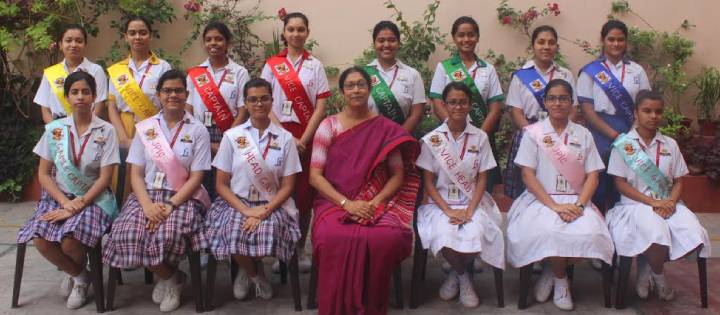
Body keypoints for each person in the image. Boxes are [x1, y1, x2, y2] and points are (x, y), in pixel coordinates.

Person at [309, 67, 420, 315]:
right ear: (342, 92)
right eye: (350, 85)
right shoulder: (329, 126)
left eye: (361, 85)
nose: (356, 90)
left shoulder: (386, 128)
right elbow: (315, 177)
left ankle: (372, 306)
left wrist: (374, 203)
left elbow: (397, 175)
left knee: (385, 239)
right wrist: (347, 204)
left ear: (369, 89)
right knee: (331, 238)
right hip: (334, 202)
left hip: (378, 201)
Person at [102, 70, 211, 312]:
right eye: (167, 90)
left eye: (178, 90)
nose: (173, 95)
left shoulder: (197, 130)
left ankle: (167, 277)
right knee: (126, 233)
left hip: (183, 197)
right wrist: (148, 206)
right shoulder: (146, 128)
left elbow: (197, 177)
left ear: (186, 94)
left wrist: (170, 205)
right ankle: (174, 278)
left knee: (166, 234)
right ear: (158, 95)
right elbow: (136, 175)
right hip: (147, 195)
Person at [506, 79, 614, 311]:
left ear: (571, 102)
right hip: (541, 199)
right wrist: (555, 207)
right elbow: (527, 175)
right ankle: (562, 280)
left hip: (577, 199)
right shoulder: (533, 133)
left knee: (592, 233)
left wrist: (579, 205)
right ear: (545, 102)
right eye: (552, 98)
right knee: (549, 229)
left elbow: (593, 176)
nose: (558, 103)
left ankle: (551, 273)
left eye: (563, 98)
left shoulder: (584, 134)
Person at [18, 72, 119, 309]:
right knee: (41, 238)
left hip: (94, 199)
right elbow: (44, 174)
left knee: (70, 242)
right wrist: (65, 203)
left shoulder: (107, 131)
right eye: (75, 92)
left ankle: (76, 276)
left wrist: (79, 204)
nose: (80, 97)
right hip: (59, 198)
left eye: (86, 92)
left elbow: (105, 179)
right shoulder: (54, 129)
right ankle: (80, 276)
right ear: (67, 97)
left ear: (94, 96)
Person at [605, 90, 711, 301]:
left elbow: (679, 180)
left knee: (693, 231)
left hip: (669, 204)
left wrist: (671, 201)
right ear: (636, 113)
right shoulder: (625, 145)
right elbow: (619, 183)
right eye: (647, 111)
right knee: (656, 231)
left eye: (658, 111)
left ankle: (648, 271)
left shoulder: (670, 144)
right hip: (634, 205)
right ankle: (660, 276)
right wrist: (653, 202)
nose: (653, 116)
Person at [204, 78, 302, 301]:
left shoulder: (285, 139)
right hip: (236, 201)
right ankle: (255, 274)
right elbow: (220, 184)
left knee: (268, 230)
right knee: (232, 229)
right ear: (245, 103)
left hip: (274, 202)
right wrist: (246, 211)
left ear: (272, 100)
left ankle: (246, 269)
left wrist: (264, 211)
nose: (259, 104)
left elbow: (288, 186)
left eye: (264, 98)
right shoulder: (232, 136)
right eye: (253, 99)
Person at [416, 82, 505, 308]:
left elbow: (483, 178)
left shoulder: (480, 137)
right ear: (444, 105)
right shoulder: (432, 139)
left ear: (470, 105)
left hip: (472, 201)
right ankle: (464, 278)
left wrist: (469, 210)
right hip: (441, 203)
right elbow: (428, 181)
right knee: (443, 233)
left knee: (477, 232)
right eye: (453, 102)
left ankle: (456, 274)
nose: (458, 106)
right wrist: (447, 210)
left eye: (463, 102)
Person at [429, 15, 505, 271]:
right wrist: (453, 130)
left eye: (471, 34)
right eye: (461, 35)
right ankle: (453, 250)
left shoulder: (487, 69)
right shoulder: (444, 67)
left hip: (479, 137)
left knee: (479, 188)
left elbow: (495, 106)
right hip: (449, 136)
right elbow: (438, 101)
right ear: (454, 38)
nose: (466, 39)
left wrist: (476, 134)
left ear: (477, 37)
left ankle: (473, 248)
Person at [260, 12, 330, 272]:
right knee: (276, 189)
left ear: (307, 33)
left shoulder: (315, 66)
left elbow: (321, 105)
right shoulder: (271, 65)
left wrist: (303, 139)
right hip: (276, 134)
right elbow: (263, 102)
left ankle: (300, 250)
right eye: (291, 29)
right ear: (284, 33)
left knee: (303, 195)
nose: (296, 34)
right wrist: (286, 136)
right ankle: (280, 249)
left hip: (306, 136)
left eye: (301, 29)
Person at [577, 20, 651, 211]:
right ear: (603, 40)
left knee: (628, 178)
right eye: (611, 39)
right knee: (599, 179)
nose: (616, 44)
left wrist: (634, 132)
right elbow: (586, 110)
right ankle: (599, 220)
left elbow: (645, 104)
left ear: (626, 42)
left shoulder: (637, 70)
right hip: (598, 131)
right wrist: (615, 135)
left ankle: (626, 222)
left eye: (620, 40)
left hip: (631, 130)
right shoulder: (590, 71)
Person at [504, 25, 577, 199]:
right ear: (533, 45)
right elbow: (516, 111)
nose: (546, 46)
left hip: (560, 136)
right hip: (528, 134)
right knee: (526, 187)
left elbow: (573, 109)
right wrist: (536, 135)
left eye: (551, 43)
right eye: (541, 42)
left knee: (557, 182)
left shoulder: (565, 75)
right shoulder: (521, 75)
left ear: (556, 47)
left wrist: (559, 137)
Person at [186, 21, 250, 199]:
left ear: (228, 43)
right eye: (208, 39)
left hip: (229, 133)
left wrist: (227, 139)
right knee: (200, 181)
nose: (213, 43)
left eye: (219, 39)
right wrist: (201, 138)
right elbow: (188, 108)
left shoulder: (239, 72)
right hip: (199, 133)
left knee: (223, 181)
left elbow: (243, 110)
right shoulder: (195, 73)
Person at [107, 16, 173, 150]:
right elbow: (112, 107)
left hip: (153, 127)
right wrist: (123, 139)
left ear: (150, 36)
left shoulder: (163, 67)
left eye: (143, 33)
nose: (137, 37)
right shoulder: (117, 70)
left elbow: (168, 103)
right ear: (126, 37)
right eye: (132, 33)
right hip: (123, 127)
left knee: (149, 169)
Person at [35, 24, 108, 123]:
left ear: (85, 44)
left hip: (88, 126)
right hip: (57, 129)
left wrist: (86, 129)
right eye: (68, 40)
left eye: (79, 41)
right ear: (60, 44)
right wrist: (56, 130)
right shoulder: (50, 73)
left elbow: (99, 104)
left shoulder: (96, 70)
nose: (73, 45)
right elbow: (45, 109)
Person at [365, 20, 426, 133]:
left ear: (398, 43)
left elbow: (416, 114)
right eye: (381, 40)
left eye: (392, 40)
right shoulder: (363, 74)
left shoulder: (412, 74)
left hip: (401, 142)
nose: (386, 45)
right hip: (368, 140)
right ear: (374, 44)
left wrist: (396, 140)